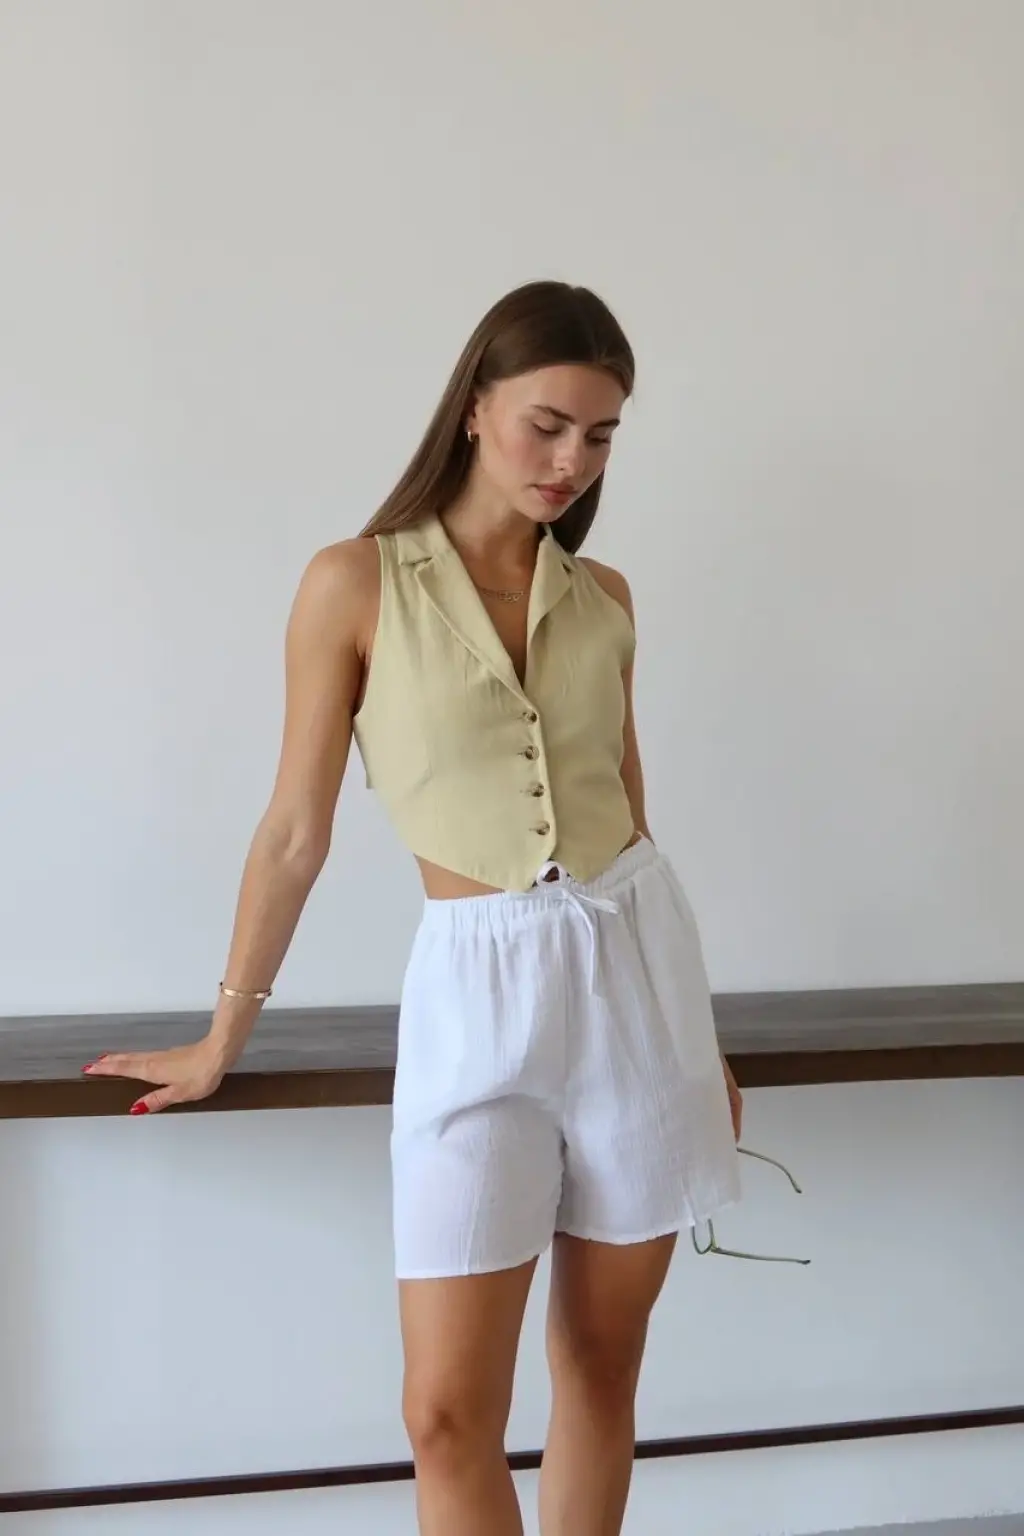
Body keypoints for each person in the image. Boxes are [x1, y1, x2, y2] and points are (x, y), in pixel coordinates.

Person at [84, 281, 744, 1536]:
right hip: (476, 992)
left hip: (638, 983)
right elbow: (295, 830)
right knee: (444, 1415)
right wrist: (224, 1034)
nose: (570, 461)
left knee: (601, 1367)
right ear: (474, 407)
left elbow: (630, 819)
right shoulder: (354, 583)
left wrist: (696, 1039)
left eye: (600, 436)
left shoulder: (604, 597)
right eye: (546, 424)